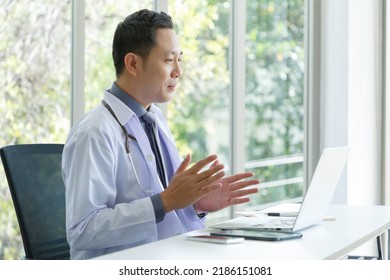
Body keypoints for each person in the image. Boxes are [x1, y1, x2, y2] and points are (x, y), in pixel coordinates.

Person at [62, 9, 259, 260]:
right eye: (168, 60)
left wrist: (196, 204)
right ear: (133, 63)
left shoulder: (155, 120)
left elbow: (168, 207)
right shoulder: (95, 133)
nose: (178, 71)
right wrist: (164, 202)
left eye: (180, 60)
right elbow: (82, 231)